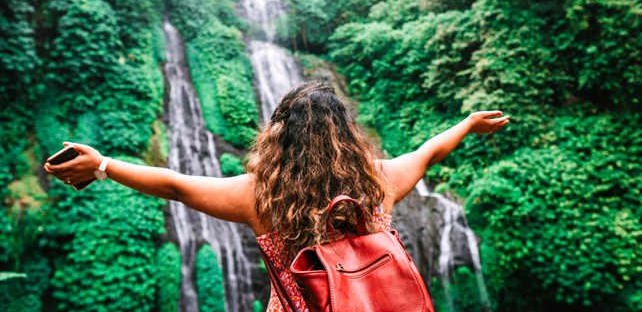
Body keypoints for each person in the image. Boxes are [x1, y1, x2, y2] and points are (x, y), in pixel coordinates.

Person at [44, 81, 509, 311]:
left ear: (279, 137)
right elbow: (428, 151)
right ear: (347, 135)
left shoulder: (261, 197)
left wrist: (102, 165)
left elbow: (174, 184)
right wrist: (467, 123)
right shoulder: (378, 182)